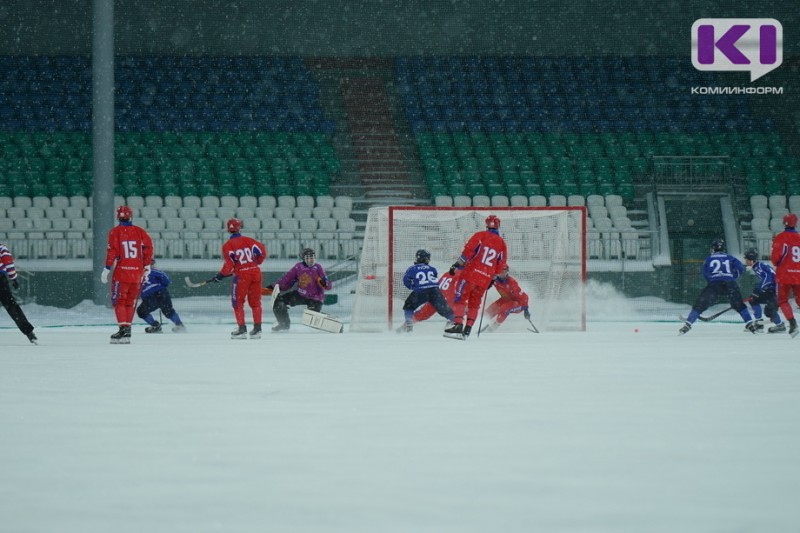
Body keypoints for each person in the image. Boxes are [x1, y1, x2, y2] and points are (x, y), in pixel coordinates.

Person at [444, 214, 508, 338]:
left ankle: (458, 325)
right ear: (499, 226)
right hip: (485, 279)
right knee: (475, 303)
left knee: (460, 299)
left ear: (486, 224)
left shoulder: (480, 236)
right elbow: (501, 264)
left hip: (471, 275)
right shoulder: (502, 244)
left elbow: (468, 252)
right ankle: (468, 329)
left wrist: (456, 265)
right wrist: (492, 278)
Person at [679, 238, 756, 335]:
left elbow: (705, 273)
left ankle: (688, 324)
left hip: (714, 284)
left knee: (700, 305)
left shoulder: (708, 259)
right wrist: (732, 277)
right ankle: (750, 324)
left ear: (713, 248)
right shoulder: (730, 258)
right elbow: (740, 268)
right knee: (739, 305)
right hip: (730, 283)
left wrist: (712, 281)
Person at [101, 205, 154, 344]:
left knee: (119, 301)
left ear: (118, 217)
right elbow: (148, 248)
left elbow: (113, 252)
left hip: (122, 272)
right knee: (130, 302)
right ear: (131, 216)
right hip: (137, 273)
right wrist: (147, 265)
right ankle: (128, 331)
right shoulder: (140, 232)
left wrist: (107, 268)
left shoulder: (115, 232)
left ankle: (122, 329)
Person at [209, 218, 266, 339]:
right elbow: (262, 252)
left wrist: (220, 275)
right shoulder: (250, 240)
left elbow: (229, 265)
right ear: (240, 228)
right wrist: (257, 262)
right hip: (255, 272)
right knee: (255, 303)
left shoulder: (227, 245)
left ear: (228, 230)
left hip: (241, 276)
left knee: (238, 303)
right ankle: (257, 329)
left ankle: (242, 329)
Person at [266, 248, 332, 332]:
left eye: (313, 258)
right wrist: (273, 287)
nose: (311, 260)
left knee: (310, 318)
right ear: (303, 259)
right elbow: (286, 280)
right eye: (308, 258)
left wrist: (325, 284)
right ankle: (284, 324)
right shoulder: (298, 267)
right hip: (300, 295)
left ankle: (328, 324)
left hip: (315, 298)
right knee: (278, 302)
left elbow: (328, 285)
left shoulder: (318, 268)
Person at [398, 249, 454, 332]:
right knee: (443, 308)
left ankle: (408, 322)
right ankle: (455, 321)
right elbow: (434, 278)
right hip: (435, 291)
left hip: (421, 290)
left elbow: (406, 280)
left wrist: (413, 287)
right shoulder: (432, 269)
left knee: (408, 306)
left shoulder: (412, 269)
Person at [0, 241, 37, 344]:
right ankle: (29, 333)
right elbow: (8, 262)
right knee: (11, 306)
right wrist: (13, 278)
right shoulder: (1, 247)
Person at [770, 213, 800, 337]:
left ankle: (792, 323)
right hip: (799, 274)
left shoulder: (780, 237)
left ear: (784, 223)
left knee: (783, 300)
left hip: (784, 275)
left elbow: (776, 258)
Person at [136, 260, 187, 333]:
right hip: (161, 293)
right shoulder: (154, 272)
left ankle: (155, 326)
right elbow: (166, 280)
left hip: (150, 297)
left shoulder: (137, 274)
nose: (153, 266)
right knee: (168, 310)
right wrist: (162, 286)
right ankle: (179, 325)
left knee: (141, 311)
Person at [743, 248, 785, 333]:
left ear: (751, 259)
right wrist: (759, 289)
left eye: (746, 259)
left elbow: (768, 278)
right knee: (754, 300)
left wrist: (760, 289)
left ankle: (778, 326)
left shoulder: (758, 267)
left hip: (776, 290)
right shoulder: (758, 266)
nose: (745, 261)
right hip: (772, 289)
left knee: (768, 310)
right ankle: (760, 323)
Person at [482, 264, 531, 332]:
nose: (502, 274)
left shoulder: (512, 283)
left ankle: (494, 327)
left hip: (518, 303)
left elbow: (524, 297)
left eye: (504, 271)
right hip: (506, 299)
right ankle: (480, 324)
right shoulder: (495, 279)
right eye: (500, 271)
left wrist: (526, 310)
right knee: (491, 309)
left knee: (504, 308)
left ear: (507, 271)